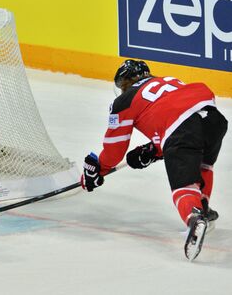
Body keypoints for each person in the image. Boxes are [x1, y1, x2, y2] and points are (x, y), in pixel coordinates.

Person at [81, 59, 228, 260]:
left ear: (127, 81)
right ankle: (204, 207)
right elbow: (182, 119)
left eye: (122, 84)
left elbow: (114, 151)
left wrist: (99, 168)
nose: (122, 89)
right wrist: (153, 150)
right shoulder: (169, 81)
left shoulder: (124, 101)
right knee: (203, 163)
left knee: (182, 187)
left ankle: (195, 217)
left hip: (182, 127)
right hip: (214, 120)